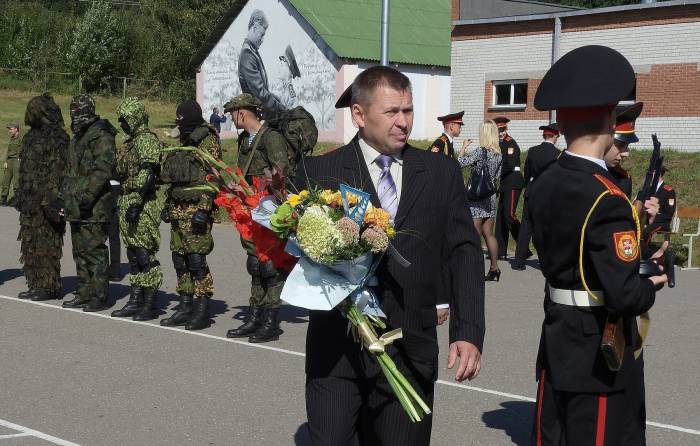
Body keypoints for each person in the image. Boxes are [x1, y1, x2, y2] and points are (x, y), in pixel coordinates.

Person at [299, 66, 485, 445]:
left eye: (409, 110)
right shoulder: (320, 172)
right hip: (337, 352)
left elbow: (465, 251)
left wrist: (468, 331)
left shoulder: (440, 171)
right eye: (392, 112)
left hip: (410, 348)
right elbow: (297, 255)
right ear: (358, 114)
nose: (403, 122)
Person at [528, 45, 666, 445]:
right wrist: (649, 284)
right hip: (596, 351)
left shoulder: (546, 181)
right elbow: (624, 294)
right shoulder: (607, 198)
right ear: (609, 119)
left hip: (557, 336)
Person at [223, 93, 296, 343]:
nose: (232, 119)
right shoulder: (245, 139)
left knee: (269, 266)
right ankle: (255, 317)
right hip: (249, 208)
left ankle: (271, 322)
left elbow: (281, 175)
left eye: (233, 114)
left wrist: (257, 191)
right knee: (255, 264)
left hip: (268, 209)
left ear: (242, 113)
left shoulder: (271, 138)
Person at [159, 100, 222, 331]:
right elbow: (176, 177)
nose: (179, 126)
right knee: (179, 258)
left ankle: (202, 306)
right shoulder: (183, 140)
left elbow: (214, 176)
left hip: (197, 208)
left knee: (196, 260)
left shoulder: (207, 140)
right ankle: (185, 303)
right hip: (178, 207)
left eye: (182, 121)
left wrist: (205, 209)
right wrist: (167, 203)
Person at [61, 94, 118, 312]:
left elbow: (103, 170)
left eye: (76, 111)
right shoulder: (78, 137)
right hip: (76, 203)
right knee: (80, 250)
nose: (74, 115)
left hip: (94, 204)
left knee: (94, 250)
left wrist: (86, 197)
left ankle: (99, 295)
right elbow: (72, 171)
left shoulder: (100, 134)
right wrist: (64, 197)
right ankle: (84, 291)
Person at [110, 97, 164, 321]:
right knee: (132, 254)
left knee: (144, 254)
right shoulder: (130, 141)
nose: (121, 124)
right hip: (126, 200)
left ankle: (150, 302)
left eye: (124, 120)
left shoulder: (146, 140)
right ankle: (136, 298)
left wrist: (137, 201)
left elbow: (148, 172)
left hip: (141, 204)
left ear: (134, 118)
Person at [15, 94, 68, 301]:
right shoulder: (29, 137)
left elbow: (60, 170)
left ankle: (48, 285)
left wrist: (53, 199)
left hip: (48, 202)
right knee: (30, 245)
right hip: (30, 202)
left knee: (47, 244)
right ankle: (36, 282)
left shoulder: (58, 138)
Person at [457, 120, 502, 281]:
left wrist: (463, 147)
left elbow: (459, 164)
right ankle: (494, 268)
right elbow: (497, 176)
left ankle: (472, 269)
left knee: (473, 235)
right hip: (490, 196)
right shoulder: (498, 154)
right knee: (489, 234)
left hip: (476, 197)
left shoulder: (479, 152)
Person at [512, 123, 560, 270]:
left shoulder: (532, 151)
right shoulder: (558, 154)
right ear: (555, 136)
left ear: (544, 136)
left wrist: (530, 186)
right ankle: (546, 261)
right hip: (548, 195)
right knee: (546, 229)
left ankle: (518, 261)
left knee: (526, 227)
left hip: (532, 192)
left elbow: (527, 172)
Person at [239, 9, 286, 120]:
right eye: (262, 34)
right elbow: (259, 91)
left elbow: (262, 90)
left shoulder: (252, 51)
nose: (263, 39)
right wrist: (281, 108)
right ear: (254, 28)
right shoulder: (247, 53)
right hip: (255, 116)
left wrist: (276, 99)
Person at [493, 116, 525, 260]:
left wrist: (494, 173)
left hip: (513, 181)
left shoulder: (510, 143)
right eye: (498, 130)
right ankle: (501, 251)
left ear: (507, 129)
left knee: (509, 214)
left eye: (503, 130)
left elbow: (509, 164)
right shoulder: (498, 144)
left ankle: (523, 247)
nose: (501, 133)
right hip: (505, 182)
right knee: (500, 217)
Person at [1, 123, 22, 206]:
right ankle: (3, 198)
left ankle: (17, 199)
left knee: (16, 181)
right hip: (9, 161)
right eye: (9, 129)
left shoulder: (20, 138)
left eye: (11, 129)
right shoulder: (12, 139)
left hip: (17, 160)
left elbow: (22, 150)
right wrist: (6, 161)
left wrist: (19, 159)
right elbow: (8, 151)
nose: (9, 131)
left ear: (16, 129)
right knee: (6, 180)